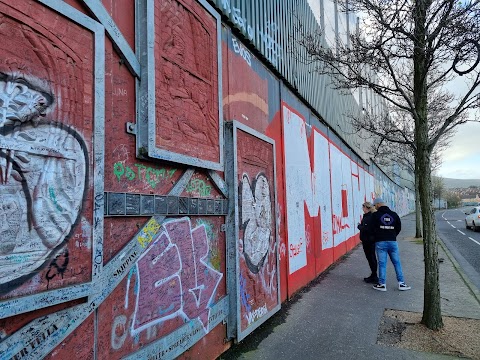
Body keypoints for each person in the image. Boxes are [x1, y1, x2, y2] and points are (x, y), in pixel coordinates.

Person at [370, 198, 411, 291]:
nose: (375, 207)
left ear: (378, 204)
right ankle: (402, 283)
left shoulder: (375, 215)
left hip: (380, 242)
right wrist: (392, 235)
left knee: (382, 264)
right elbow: (398, 227)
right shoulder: (394, 214)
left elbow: (371, 228)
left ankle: (382, 284)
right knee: (397, 263)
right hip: (392, 242)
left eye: (375, 205)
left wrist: (377, 236)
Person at [357, 202, 378, 283]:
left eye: (363, 207)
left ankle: (374, 276)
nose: (363, 209)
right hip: (369, 240)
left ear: (367, 208)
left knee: (371, 258)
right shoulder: (369, 216)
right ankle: (373, 275)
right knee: (371, 258)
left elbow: (367, 229)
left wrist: (359, 227)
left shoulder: (369, 217)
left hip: (368, 241)